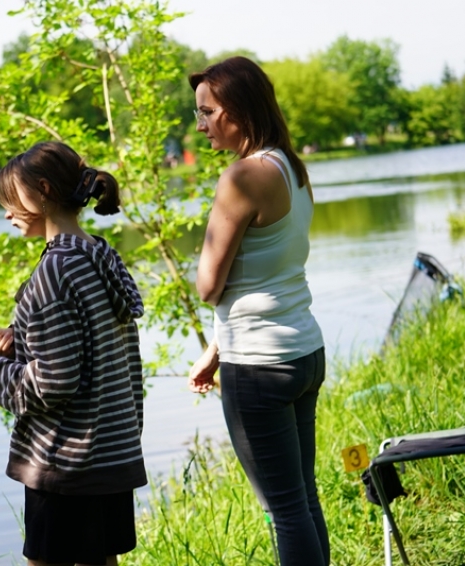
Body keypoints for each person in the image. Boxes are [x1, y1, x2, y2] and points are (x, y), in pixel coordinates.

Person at [0, 141, 146, 566]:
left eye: (12, 200)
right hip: (111, 452)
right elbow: (88, 340)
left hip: (67, 464)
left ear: (43, 190)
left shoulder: (52, 273)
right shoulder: (96, 254)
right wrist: (20, 335)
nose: (7, 213)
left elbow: (54, 383)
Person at [187, 56, 329, 566]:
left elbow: (208, 285)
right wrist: (215, 349)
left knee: (284, 510)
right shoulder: (291, 165)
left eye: (207, 112)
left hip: (261, 369)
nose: (200, 125)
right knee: (303, 501)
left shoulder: (241, 177)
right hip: (304, 351)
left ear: (238, 109)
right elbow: (266, 274)